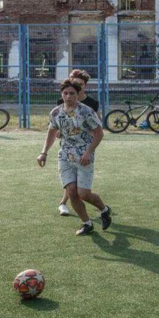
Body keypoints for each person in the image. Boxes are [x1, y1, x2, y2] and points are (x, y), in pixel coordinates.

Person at [38, 80, 112, 236]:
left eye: (72, 93)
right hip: (65, 156)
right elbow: (52, 132)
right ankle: (87, 223)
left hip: (84, 156)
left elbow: (99, 133)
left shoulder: (86, 112)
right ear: (61, 94)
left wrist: (88, 152)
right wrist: (44, 152)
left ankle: (104, 210)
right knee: (71, 192)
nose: (68, 96)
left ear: (78, 94)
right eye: (65, 93)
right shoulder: (56, 112)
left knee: (83, 193)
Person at [55, 69, 100, 216]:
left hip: (85, 146)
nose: (75, 87)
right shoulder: (62, 103)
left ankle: (95, 203)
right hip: (68, 147)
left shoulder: (90, 104)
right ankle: (63, 203)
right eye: (73, 83)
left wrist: (88, 149)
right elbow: (57, 127)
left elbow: (96, 128)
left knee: (80, 187)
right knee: (70, 181)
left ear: (84, 86)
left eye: (79, 84)